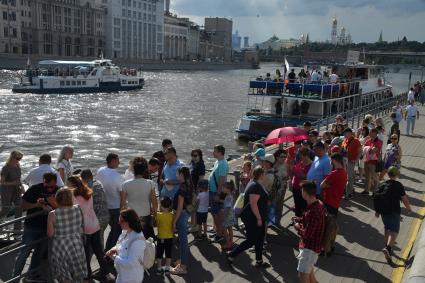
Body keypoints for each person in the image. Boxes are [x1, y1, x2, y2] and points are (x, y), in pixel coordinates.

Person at [13, 172, 60, 281]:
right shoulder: (34, 189)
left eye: (51, 187)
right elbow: (23, 205)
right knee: (24, 252)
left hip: (47, 228)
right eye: (46, 186)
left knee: (39, 252)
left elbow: (63, 208)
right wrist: (37, 205)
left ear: (56, 183)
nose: (49, 189)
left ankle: (31, 275)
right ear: (43, 182)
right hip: (32, 226)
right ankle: (14, 278)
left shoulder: (59, 191)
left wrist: (51, 204)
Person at [68, 176, 110, 280]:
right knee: (99, 251)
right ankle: (106, 273)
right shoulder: (88, 193)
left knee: (86, 253)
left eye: (68, 183)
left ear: (73, 185)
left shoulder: (74, 197)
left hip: (84, 227)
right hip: (94, 224)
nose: (66, 185)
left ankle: (88, 275)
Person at [227, 166, 270, 268]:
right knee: (251, 240)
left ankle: (259, 261)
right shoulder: (255, 186)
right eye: (264, 173)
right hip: (253, 218)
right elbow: (253, 204)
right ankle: (231, 255)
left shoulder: (257, 184)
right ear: (260, 175)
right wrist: (259, 218)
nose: (265, 175)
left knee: (259, 239)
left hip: (259, 217)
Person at [47, 188, 87, 282]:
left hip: (61, 247)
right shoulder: (78, 208)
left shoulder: (52, 214)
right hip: (76, 244)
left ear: (57, 198)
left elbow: (50, 234)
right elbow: (82, 225)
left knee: (64, 275)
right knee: (79, 272)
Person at [374, 167, 412, 261]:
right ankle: (388, 248)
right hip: (394, 211)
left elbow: (378, 198)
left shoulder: (383, 184)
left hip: (383, 212)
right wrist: (409, 209)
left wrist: (377, 211)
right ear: (396, 175)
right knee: (394, 230)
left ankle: (386, 245)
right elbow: (405, 199)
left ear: (388, 174)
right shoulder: (398, 185)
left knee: (387, 227)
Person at [293, 181, 326, 283]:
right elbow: (311, 222)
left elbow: (307, 234)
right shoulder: (318, 204)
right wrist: (300, 219)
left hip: (309, 249)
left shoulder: (313, 211)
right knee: (310, 276)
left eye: (302, 190)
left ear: (305, 193)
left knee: (303, 276)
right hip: (312, 248)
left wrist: (297, 227)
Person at [105, 208, 146, 283]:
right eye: (119, 220)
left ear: (130, 221)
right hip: (122, 274)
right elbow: (120, 244)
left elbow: (130, 263)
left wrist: (113, 257)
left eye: (122, 221)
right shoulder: (125, 232)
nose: (119, 223)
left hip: (132, 278)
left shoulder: (138, 240)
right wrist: (114, 249)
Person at [121, 157, 158, 240]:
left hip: (132, 217)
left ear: (134, 170)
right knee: (146, 241)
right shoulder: (150, 183)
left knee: (132, 240)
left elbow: (122, 204)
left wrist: (123, 218)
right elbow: (154, 202)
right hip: (146, 216)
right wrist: (155, 215)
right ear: (145, 170)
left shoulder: (125, 184)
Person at [320, 153, 347, 255]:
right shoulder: (344, 172)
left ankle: (326, 249)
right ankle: (332, 245)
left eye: (332, 160)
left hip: (328, 202)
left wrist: (327, 185)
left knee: (326, 227)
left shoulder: (334, 173)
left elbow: (322, 185)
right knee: (333, 226)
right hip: (336, 202)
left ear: (335, 161)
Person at [96, 153, 124, 250]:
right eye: (117, 160)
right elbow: (122, 194)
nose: (119, 162)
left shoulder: (100, 171)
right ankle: (109, 252)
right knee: (116, 231)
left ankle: (101, 250)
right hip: (115, 208)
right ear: (112, 161)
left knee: (101, 231)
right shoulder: (117, 177)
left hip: (103, 206)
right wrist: (123, 207)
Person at [171, 166, 193, 275]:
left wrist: (174, 221)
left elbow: (179, 208)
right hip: (187, 213)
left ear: (181, 175)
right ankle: (182, 260)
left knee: (183, 242)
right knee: (184, 241)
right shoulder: (189, 184)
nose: (176, 175)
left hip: (181, 215)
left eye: (177, 173)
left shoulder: (181, 189)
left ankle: (183, 267)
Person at [80, 169, 109, 247]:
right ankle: (101, 256)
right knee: (99, 242)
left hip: (97, 219)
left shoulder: (90, 187)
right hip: (105, 217)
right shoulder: (98, 183)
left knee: (94, 245)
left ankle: (99, 257)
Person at [208, 145, 229, 243]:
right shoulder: (217, 162)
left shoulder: (223, 164)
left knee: (217, 214)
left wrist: (218, 193)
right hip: (213, 191)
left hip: (217, 192)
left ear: (220, 152)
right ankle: (217, 231)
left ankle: (220, 235)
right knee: (214, 213)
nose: (213, 152)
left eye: (215, 151)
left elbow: (222, 180)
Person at [0, 150, 24, 228]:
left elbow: (19, 179)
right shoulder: (6, 168)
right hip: (6, 190)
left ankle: (17, 229)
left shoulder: (18, 167)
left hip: (16, 190)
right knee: (6, 208)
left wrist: (22, 187)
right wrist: (13, 183)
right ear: (12, 157)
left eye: (20, 158)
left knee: (20, 207)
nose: (18, 160)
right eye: (17, 158)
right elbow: (2, 182)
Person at [155, 197, 174, 275]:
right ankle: (167, 269)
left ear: (161, 206)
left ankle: (159, 269)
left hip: (161, 237)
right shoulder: (172, 214)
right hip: (169, 237)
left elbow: (156, 224)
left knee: (159, 253)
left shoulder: (158, 215)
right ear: (169, 206)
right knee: (168, 253)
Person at [292, 148, 313, 217]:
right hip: (296, 187)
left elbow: (312, 179)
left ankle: (304, 221)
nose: (299, 157)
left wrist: (303, 176)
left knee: (304, 206)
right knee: (297, 205)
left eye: (300, 155)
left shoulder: (312, 165)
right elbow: (294, 172)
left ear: (305, 155)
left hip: (304, 190)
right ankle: (297, 219)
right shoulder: (300, 162)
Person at [341, 128, 362, 199]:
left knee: (349, 177)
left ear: (349, 133)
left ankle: (349, 193)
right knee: (348, 177)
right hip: (345, 161)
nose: (344, 135)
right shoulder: (345, 140)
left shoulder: (356, 141)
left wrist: (356, 160)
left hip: (351, 161)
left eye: (345, 133)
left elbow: (360, 152)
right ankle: (350, 190)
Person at [362, 128, 383, 195]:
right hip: (367, 161)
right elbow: (364, 148)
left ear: (375, 133)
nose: (369, 134)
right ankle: (366, 190)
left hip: (374, 162)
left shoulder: (379, 141)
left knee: (375, 177)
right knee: (367, 176)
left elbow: (373, 151)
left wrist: (367, 149)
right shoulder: (368, 140)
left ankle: (375, 191)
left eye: (371, 132)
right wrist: (368, 149)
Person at [273, 149, 289, 225]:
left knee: (279, 204)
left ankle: (277, 221)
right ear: (276, 157)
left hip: (282, 187)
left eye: (285, 156)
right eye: (282, 156)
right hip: (272, 188)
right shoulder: (272, 164)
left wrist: (286, 178)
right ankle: (270, 220)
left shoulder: (285, 164)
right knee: (272, 203)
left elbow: (287, 175)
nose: (284, 158)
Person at [222, 180, 236, 251]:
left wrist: (223, 216)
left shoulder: (227, 197)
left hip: (227, 215)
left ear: (227, 189)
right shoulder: (230, 195)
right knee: (230, 228)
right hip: (231, 215)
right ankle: (231, 241)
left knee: (224, 229)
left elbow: (227, 208)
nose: (222, 189)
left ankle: (228, 243)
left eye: (223, 188)